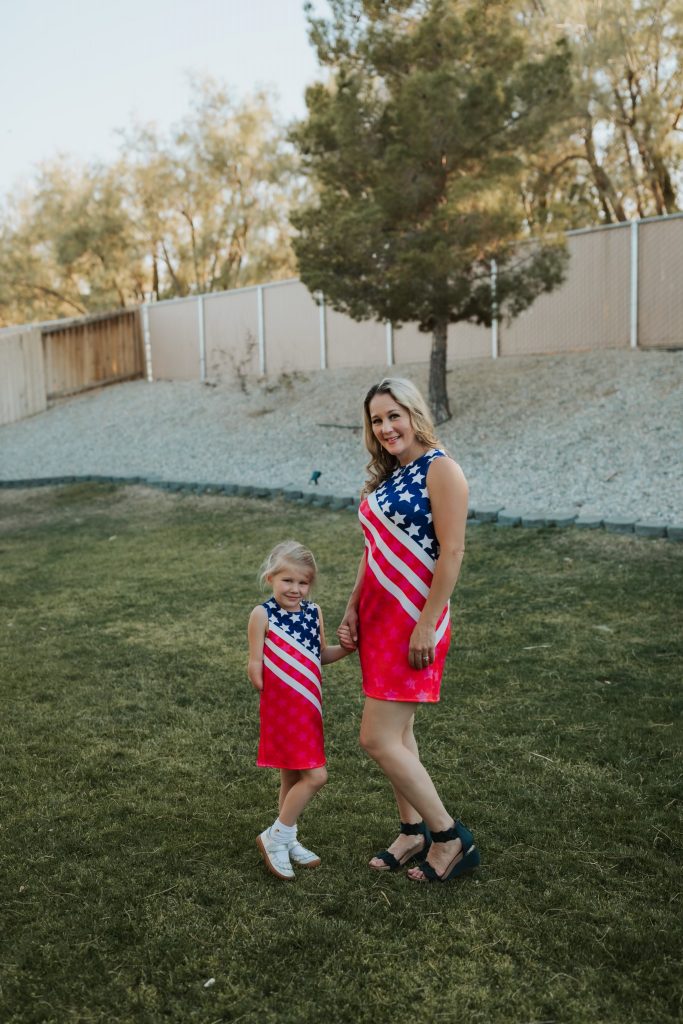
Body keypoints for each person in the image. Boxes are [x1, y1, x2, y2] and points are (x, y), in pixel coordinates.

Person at [337, 377, 480, 883]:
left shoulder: (441, 470)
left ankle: (448, 837)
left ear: (414, 413)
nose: (386, 427)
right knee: (399, 734)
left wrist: (425, 623)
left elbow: (453, 551)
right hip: (377, 618)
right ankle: (411, 830)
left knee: (376, 738)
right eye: (377, 420)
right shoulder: (386, 479)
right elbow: (371, 550)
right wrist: (353, 607)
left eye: (393, 415)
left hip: (414, 620)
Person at [248, 540, 353, 880]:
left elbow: (320, 654)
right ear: (270, 578)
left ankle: (286, 837)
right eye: (287, 581)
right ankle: (275, 836)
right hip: (283, 710)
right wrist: (274, 693)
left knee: (292, 775)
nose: (295, 589)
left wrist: (349, 649)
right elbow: (255, 665)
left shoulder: (314, 612)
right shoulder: (262, 614)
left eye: (303, 582)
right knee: (316, 776)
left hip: (310, 707)